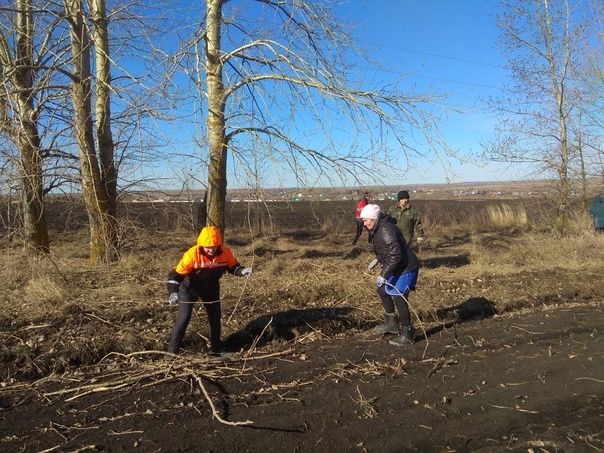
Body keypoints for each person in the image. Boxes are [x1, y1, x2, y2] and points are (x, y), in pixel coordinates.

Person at [166, 225, 252, 356]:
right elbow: (175, 275)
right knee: (184, 318)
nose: (211, 250)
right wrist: (173, 292)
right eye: (208, 248)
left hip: (211, 288)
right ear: (201, 246)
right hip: (189, 289)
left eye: (214, 247)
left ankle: (217, 349)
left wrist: (242, 271)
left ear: (218, 245)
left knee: (215, 316)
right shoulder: (192, 254)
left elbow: (233, 266)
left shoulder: (225, 252)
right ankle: (171, 354)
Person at [361, 204, 420, 346]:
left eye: (366, 220)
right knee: (382, 290)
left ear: (374, 218)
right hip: (397, 266)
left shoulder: (385, 229)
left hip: (406, 267)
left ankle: (407, 334)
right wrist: (378, 259)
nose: (364, 223)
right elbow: (385, 250)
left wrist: (384, 275)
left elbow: (395, 254)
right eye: (363, 220)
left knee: (399, 297)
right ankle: (392, 324)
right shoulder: (377, 227)